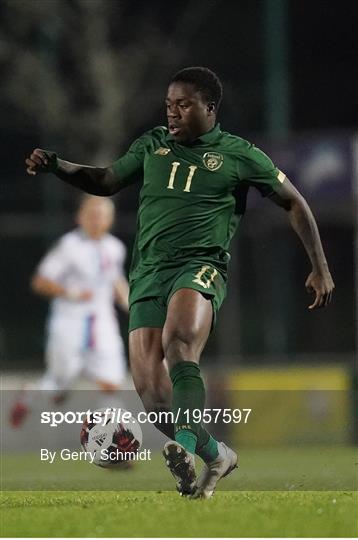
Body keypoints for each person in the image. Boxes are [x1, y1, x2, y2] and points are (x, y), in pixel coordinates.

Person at [25, 67, 334, 498]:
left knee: (179, 343)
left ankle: (185, 447)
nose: (172, 113)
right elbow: (106, 180)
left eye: (183, 105)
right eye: (169, 105)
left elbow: (294, 202)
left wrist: (319, 265)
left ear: (209, 108)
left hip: (200, 266)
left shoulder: (239, 154)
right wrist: (58, 165)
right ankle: (215, 453)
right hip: (149, 271)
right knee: (152, 392)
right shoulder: (152, 145)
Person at [10, 195, 129, 426]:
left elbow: (116, 280)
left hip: (103, 321)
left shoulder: (115, 248)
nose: (97, 220)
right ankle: (30, 395)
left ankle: (115, 442)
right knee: (58, 383)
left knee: (111, 381)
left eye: (102, 215)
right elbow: (40, 281)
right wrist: (71, 293)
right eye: (91, 215)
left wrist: (130, 303)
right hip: (69, 321)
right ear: (80, 218)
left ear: (110, 219)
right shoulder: (69, 246)